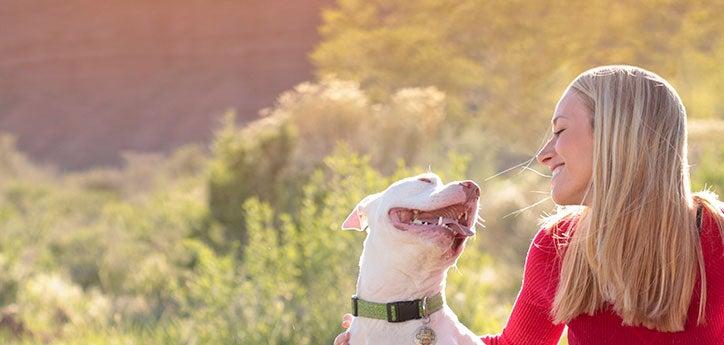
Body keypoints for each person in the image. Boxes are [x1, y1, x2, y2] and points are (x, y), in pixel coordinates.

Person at [334, 65, 724, 344]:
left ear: (615, 138)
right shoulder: (558, 246)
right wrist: (390, 333)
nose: (544, 154)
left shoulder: (716, 240)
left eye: (559, 131)